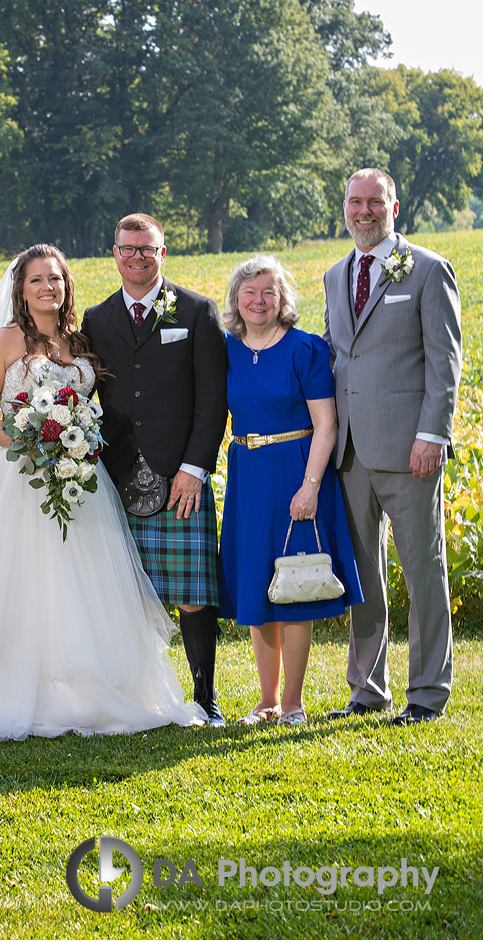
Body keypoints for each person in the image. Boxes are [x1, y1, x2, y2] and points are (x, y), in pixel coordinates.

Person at [0, 245, 204, 739]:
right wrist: (27, 446)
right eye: (36, 280)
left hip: (80, 478)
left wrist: (74, 443)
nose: (48, 287)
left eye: (56, 279)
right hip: (18, 481)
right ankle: (13, 693)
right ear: (20, 291)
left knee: (84, 583)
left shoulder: (79, 343)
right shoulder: (2, 342)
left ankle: (86, 688)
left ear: (67, 286)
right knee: (20, 586)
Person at [324, 168, 462, 725]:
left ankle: (428, 692)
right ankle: (367, 689)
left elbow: (445, 361)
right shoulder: (336, 275)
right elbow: (339, 356)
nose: (364, 212)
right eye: (355, 202)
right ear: (345, 207)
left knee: (423, 572)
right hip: (349, 452)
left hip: (411, 451)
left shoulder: (428, 270)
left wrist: (433, 434)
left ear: (394, 206)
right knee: (361, 575)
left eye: (374, 202)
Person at [81, 214, 229, 725]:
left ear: (163, 253)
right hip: (117, 476)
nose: (137, 257)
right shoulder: (97, 320)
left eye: (148, 249)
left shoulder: (196, 311)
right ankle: (132, 696)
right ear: (115, 253)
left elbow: (213, 400)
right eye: (128, 249)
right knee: (122, 592)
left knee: (192, 593)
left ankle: (205, 696)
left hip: (180, 475)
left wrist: (194, 468)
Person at [217, 256, 363, 726]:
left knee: (296, 586)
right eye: (250, 292)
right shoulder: (227, 349)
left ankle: (294, 702)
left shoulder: (306, 349)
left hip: (297, 471)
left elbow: (326, 424)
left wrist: (310, 487)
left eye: (269, 293)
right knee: (260, 583)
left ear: (282, 301)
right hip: (247, 474)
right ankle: (267, 700)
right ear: (237, 299)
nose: (259, 301)